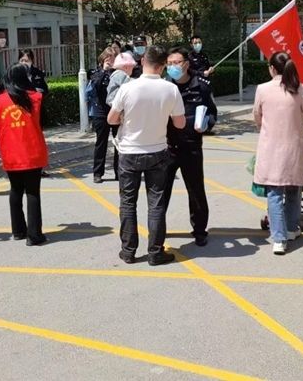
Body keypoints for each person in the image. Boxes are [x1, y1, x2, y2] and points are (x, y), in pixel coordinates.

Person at [108, 45, 185, 266]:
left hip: (129, 151)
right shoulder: (171, 89)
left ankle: (128, 251)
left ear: (143, 62)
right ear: (163, 66)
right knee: (156, 203)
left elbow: (111, 119)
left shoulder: (128, 88)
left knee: (128, 203)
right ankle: (155, 252)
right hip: (158, 151)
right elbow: (180, 123)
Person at [252, 51, 303, 255]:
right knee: (293, 190)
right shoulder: (299, 88)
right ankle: (290, 229)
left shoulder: (262, 89)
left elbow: (257, 117)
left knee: (274, 193)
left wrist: (266, 128)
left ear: (272, 68)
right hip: (294, 149)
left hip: (270, 148)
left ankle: (279, 239)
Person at [162, 47, 218, 247]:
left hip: (191, 145)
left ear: (186, 64)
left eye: (176, 62)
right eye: (169, 63)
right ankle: (158, 229)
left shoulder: (201, 86)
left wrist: (206, 124)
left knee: (195, 191)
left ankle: (200, 230)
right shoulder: (164, 86)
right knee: (161, 191)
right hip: (167, 147)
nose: (172, 67)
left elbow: (212, 113)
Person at [0, 64, 50, 246]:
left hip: (10, 152)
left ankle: (18, 231)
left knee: (15, 190)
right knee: (33, 192)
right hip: (32, 151)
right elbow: (43, 122)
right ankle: (34, 235)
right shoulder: (36, 98)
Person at [88, 46, 120, 183]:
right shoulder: (96, 72)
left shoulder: (119, 73)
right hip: (101, 112)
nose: (111, 61)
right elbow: (95, 86)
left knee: (119, 143)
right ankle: (98, 173)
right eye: (108, 58)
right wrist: (104, 71)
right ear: (102, 59)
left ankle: (119, 172)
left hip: (116, 110)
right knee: (101, 143)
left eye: (113, 58)